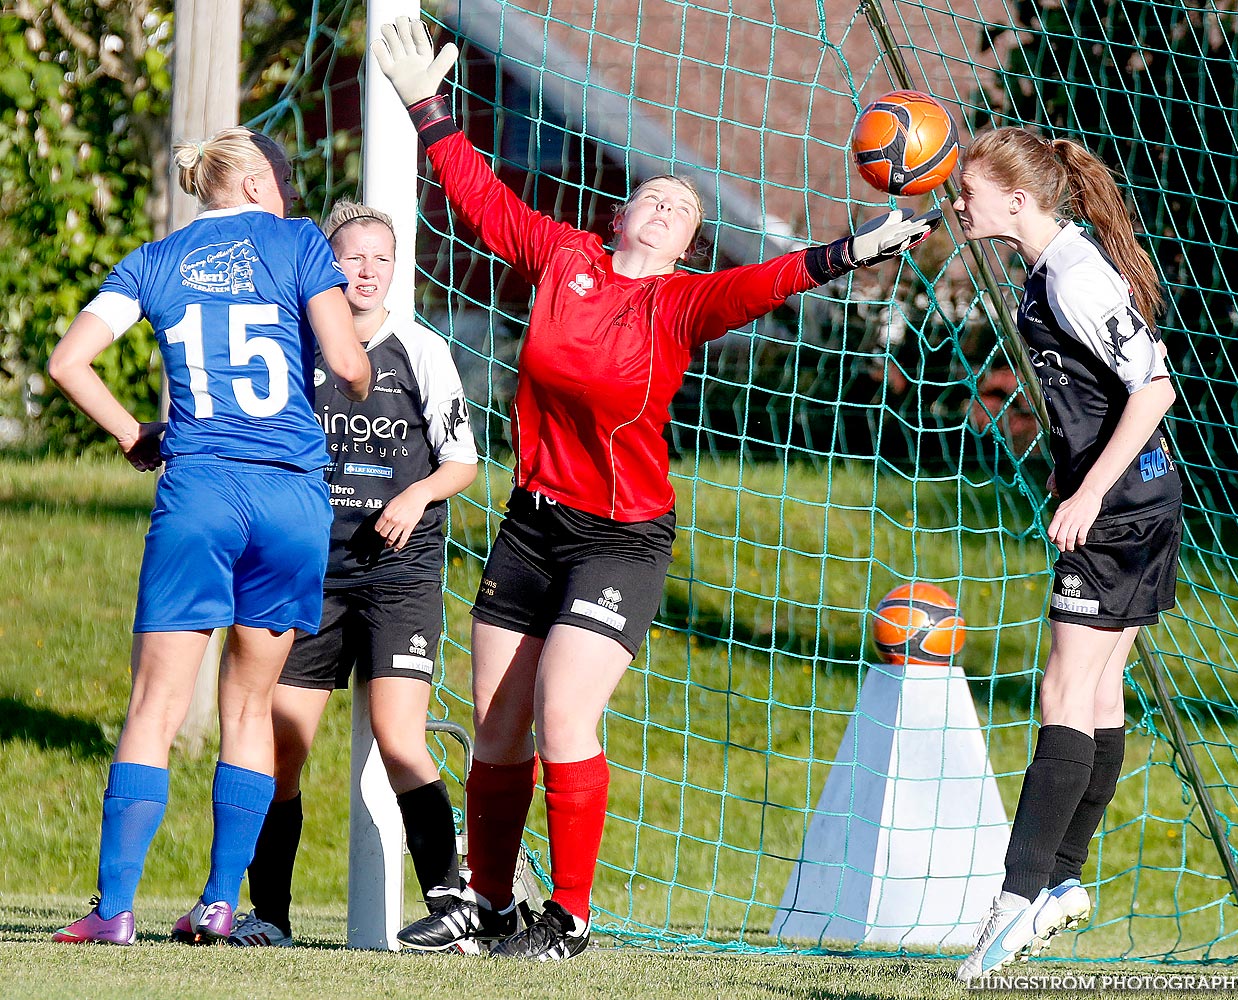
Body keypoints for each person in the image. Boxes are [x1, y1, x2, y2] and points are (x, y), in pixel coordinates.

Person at [371, 16, 942, 961]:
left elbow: (767, 281)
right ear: (623, 215)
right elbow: (480, 199)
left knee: (564, 712)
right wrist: (427, 109)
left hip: (619, 540)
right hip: (530, 525)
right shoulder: (566, 261)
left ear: (687, 245)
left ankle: (569, 916)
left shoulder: (681, 302)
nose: (671, 202)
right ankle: (486, 905)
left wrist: (855, 248)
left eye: (684, 204)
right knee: (497, 725)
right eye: (656, 193)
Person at [49, 127, 372, 946]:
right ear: (261, 183)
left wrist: (134, 434)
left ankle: (115, 910)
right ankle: (220, 903)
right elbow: (348, 362)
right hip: (293, 496)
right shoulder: (299, 242)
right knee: (250, 704)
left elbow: (68, 362)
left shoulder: (153, 260)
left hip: (200, 489)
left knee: (155, 703)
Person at [950, 127, 1181, 982]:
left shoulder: (1076, 275)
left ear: (1017, 200)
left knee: (1061, 687)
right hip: (1143, 502)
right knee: (1097, 688)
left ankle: (1014, 902)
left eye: (969, 189)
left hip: (1117, 513)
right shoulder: (1054, 263)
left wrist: (1087, 494)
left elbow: (1152, 387)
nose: (958, 201)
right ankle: (1062, 886)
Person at [229, 200, 478, 948]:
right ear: (326, 265)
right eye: (351, 257)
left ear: (395, 269)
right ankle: (269, 917)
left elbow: (461, 461)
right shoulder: (293, 345)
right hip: (308, 571)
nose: (365, 271)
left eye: (379, 258)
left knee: (398, 735)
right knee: (282, 750)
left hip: (397, 577)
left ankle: (451, 908)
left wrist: (415, 491)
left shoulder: (422, 350)